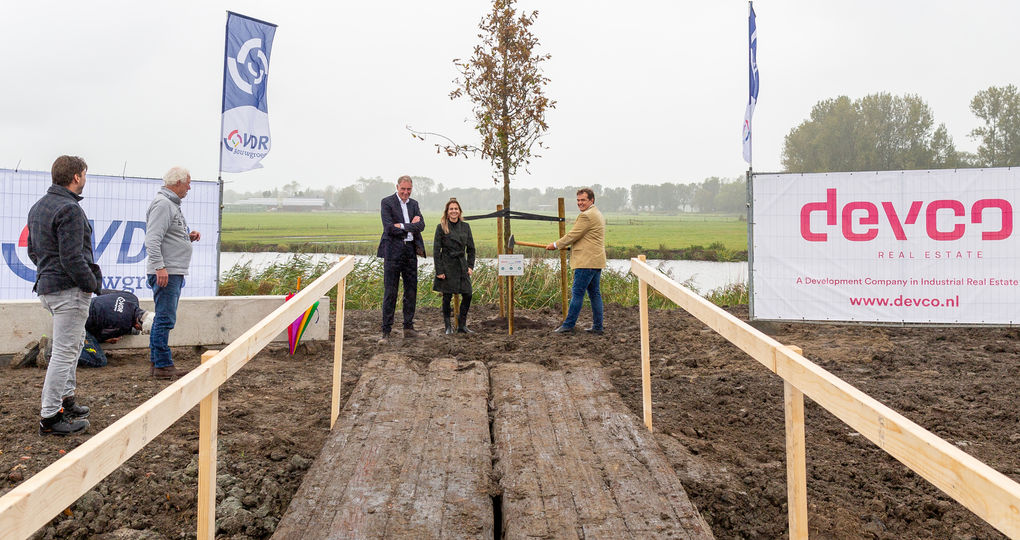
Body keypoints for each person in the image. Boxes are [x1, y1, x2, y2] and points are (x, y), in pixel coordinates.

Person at [26, 155, 102, 436]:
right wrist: (91, 283)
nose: (84, 179)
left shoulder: (38, 207)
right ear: (77, 177)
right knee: (64, 352)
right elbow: (72, 258)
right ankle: (49, 417)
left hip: (48, 287)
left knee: (73, 344)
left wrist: (49, 272)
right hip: (68, 291)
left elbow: (32, 251)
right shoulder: (69, 209)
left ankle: (66, 400)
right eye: (84, 174)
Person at [145, 166, 200, 379]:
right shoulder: (163, 204)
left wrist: (188, 236)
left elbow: (166, 235)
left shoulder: (169, 204)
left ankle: (157, 364)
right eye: (187, 182)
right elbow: (152, 239)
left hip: (171, 270)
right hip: (166, 271)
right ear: (177, 183)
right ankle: (162, 365)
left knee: (163, 318)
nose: (189, 187)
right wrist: (160, 267)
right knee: (165, 319)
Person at [546, 187, 607, 335]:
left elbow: (573, 235)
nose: (580, 203)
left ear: (591, 200)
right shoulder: (597, 213)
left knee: (577, 293)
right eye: (578, 200)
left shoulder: (586, 216)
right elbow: (585, 238)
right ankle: (598, 327)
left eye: (583, 200)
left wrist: (555, 245)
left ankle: (568, 325)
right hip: (596, 260)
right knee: (594, 294)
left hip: (586, 262)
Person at [377, 175, 426, 339]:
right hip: (393, 252)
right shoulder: (387, 202)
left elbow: (421, 226)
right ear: (397, 187)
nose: (406, 192)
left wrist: (404, 226)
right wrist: (411, 226)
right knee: (390, 291)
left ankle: (408, 327)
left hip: (411, 252)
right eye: (403, 189)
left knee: (411, 290)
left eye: (409, 189)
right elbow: (389, 228)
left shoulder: (414, 204)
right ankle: (386, 330)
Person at [433, 198, 476, 334]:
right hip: (447, 264)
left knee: (468, 294)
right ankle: (448, 326)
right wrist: (439, 270)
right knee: (447, 296)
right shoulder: (441, 227)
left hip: (462, 265)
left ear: (459, 211)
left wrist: (470, 266)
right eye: (451, 209)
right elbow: (435, 250)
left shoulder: (465, 227)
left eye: (456, 209)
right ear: (447, 211)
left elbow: (471, 249)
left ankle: (462, 324)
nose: (454, 211)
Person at [79, 290, 152, 368]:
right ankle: (69, 355)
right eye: (140, 329)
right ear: (138, 325)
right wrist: (106, 339)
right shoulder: (124, 325)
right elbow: (98, 335)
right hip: (79, 326)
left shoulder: (131, 297)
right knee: (99, 360)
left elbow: (102, 291)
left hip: (80, 307)